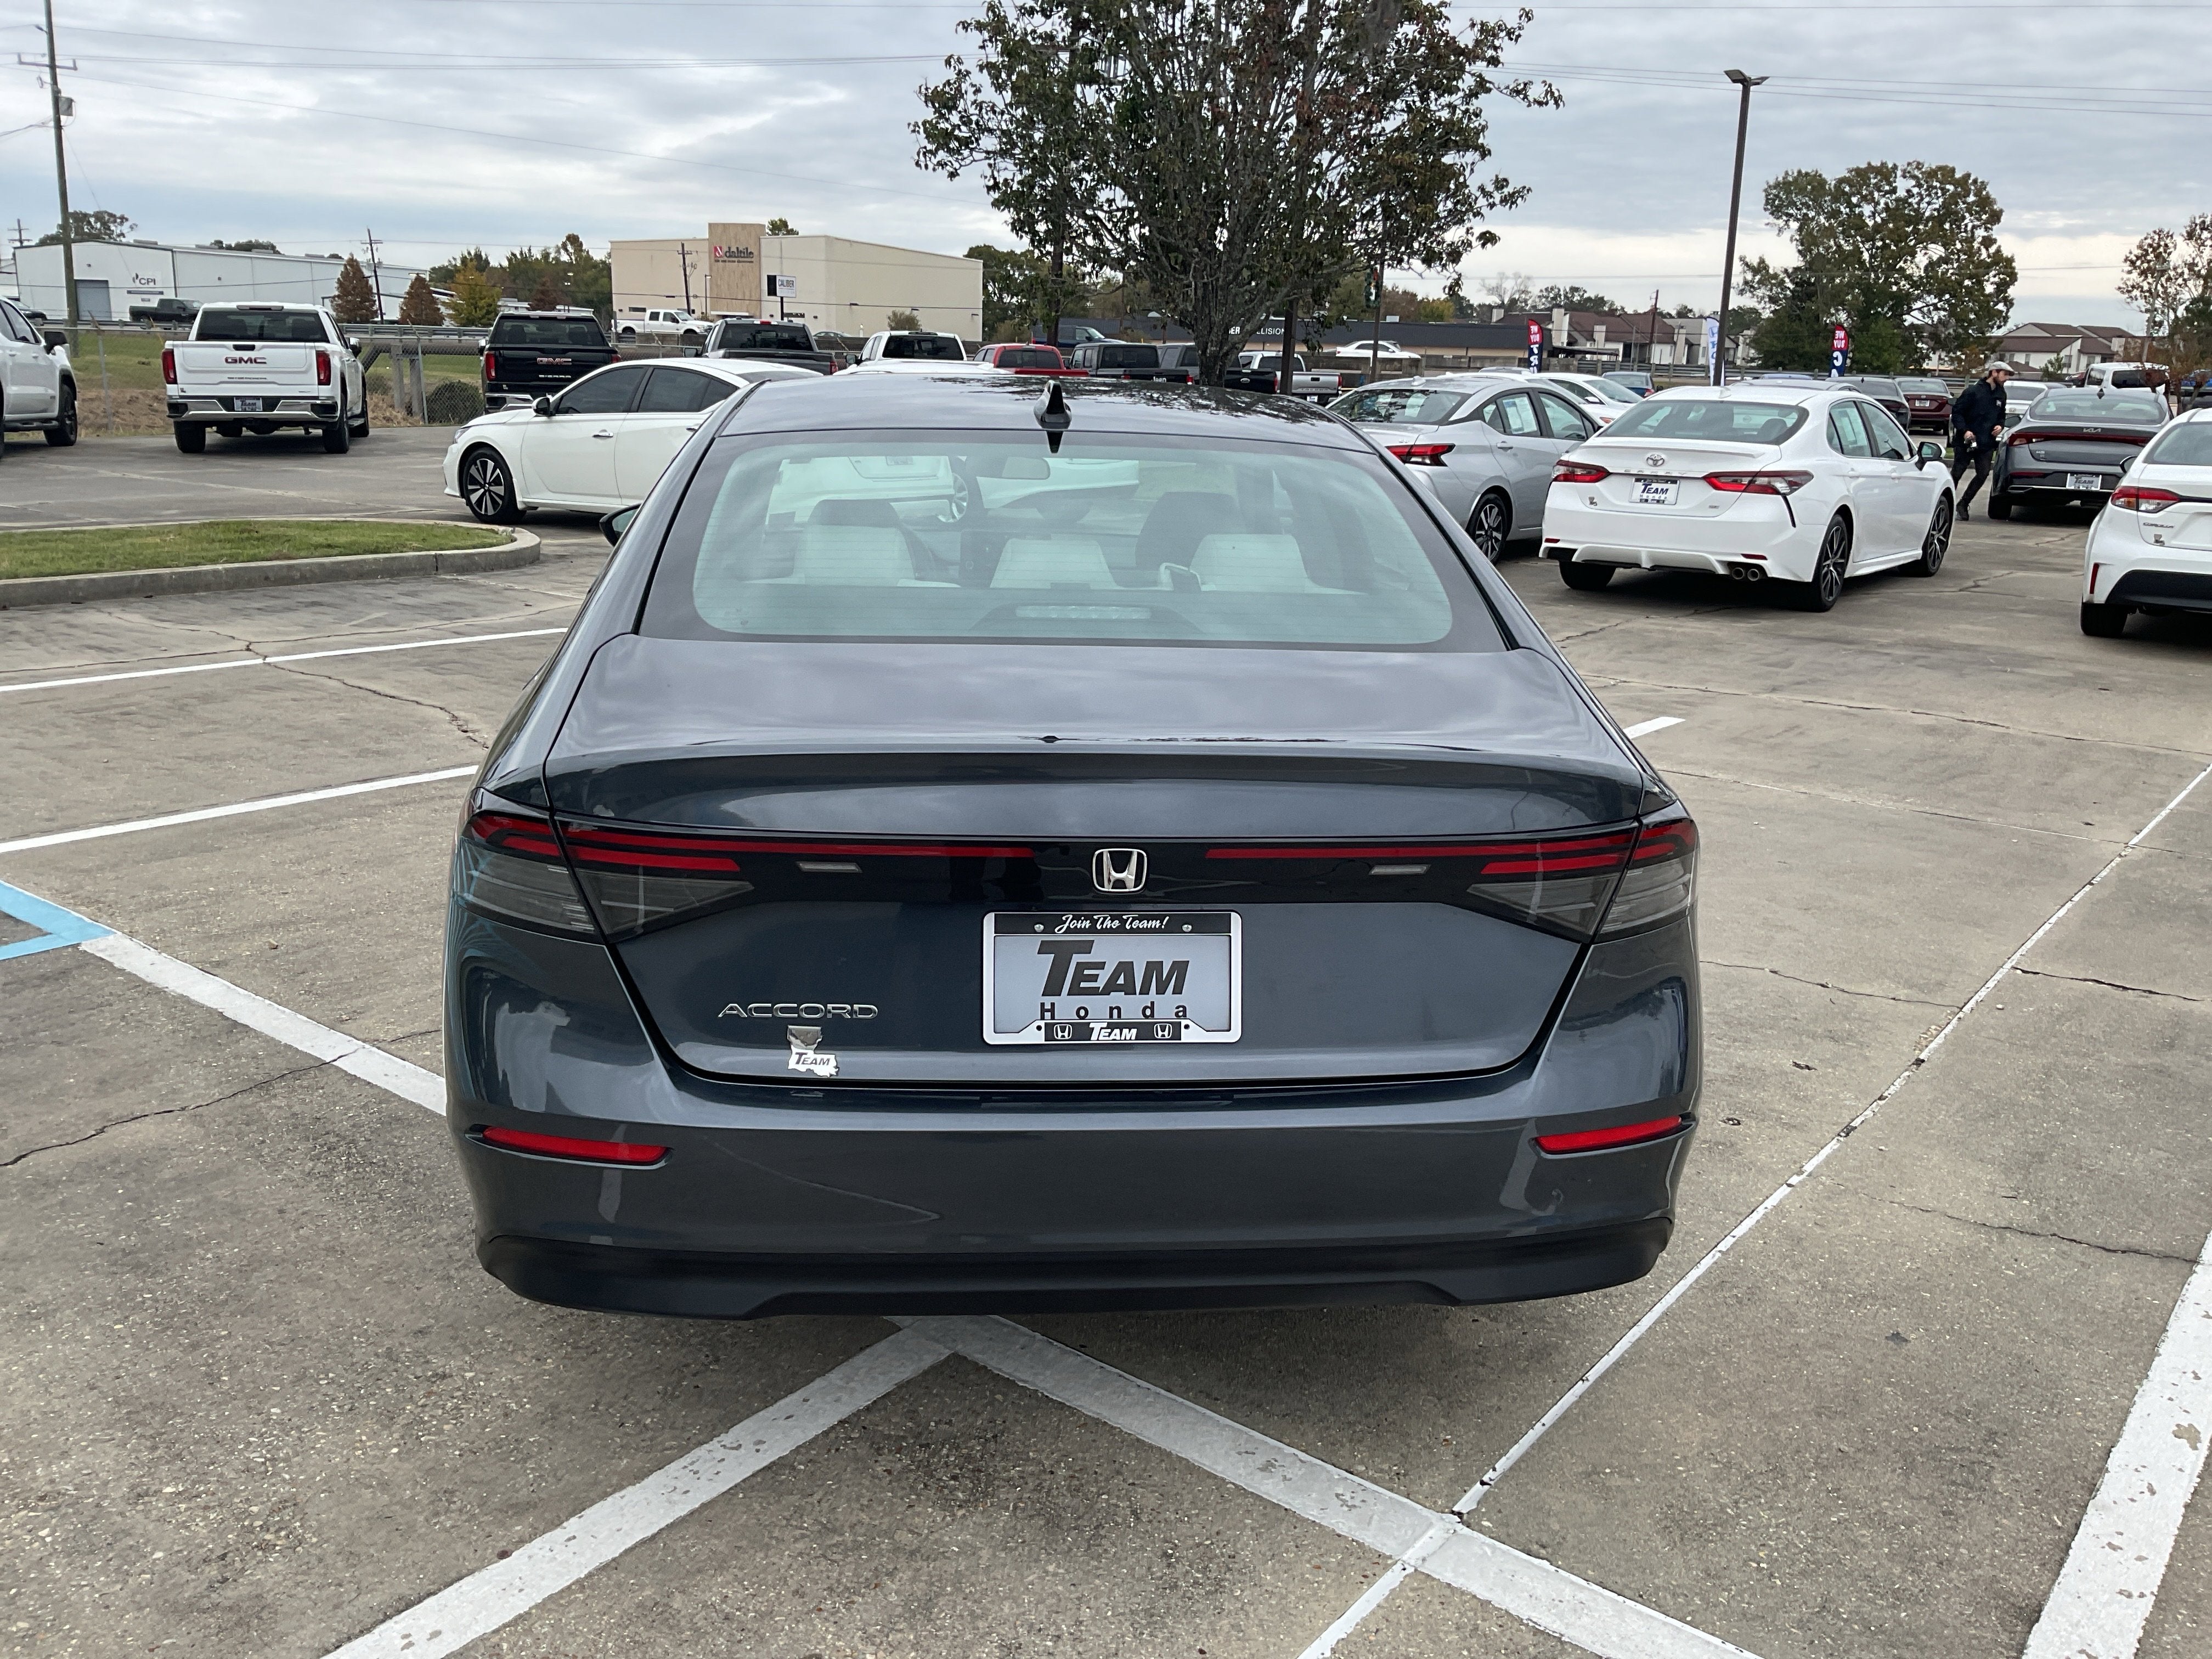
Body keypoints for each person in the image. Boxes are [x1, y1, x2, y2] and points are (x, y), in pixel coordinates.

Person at [1949, 361, 2011, 520]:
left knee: (1983, 474)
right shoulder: (1973, 392)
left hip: (1986, 443)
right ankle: (1945, 503)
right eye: (2005, 374)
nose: (2007, 378)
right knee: (1957, 473)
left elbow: (2001, 414)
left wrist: (2000, 425)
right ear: (1994, 373)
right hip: (1967, 441)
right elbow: (1957, 413)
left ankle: (1963, 503)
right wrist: (1965, 431)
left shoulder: (2001, 394)